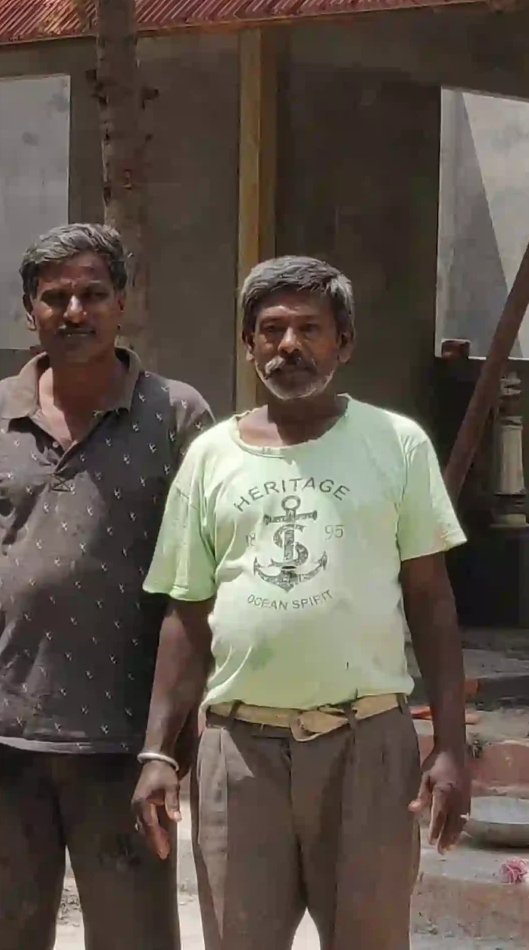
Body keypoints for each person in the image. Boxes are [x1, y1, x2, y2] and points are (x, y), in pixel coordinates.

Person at [134, 255, 472, 950]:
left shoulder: (397, 445)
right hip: (240, 752)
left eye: (309, 329)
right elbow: (187, 615)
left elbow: (431, 602)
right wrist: (158, 752)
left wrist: (451, 747)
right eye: (271, 330)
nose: (288, 345)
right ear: (248, 344)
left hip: (366, 748)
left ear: (343, 343)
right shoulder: (210, 457)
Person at [0, 223, 212, 950]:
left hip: (125, 739)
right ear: (30, 310)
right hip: (5, 730)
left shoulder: (176, 414)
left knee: (134, 937)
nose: (74, 311)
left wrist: (175, 729)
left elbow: (201, 582)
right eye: (55, 297)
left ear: (123, 302)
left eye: (92, 293)